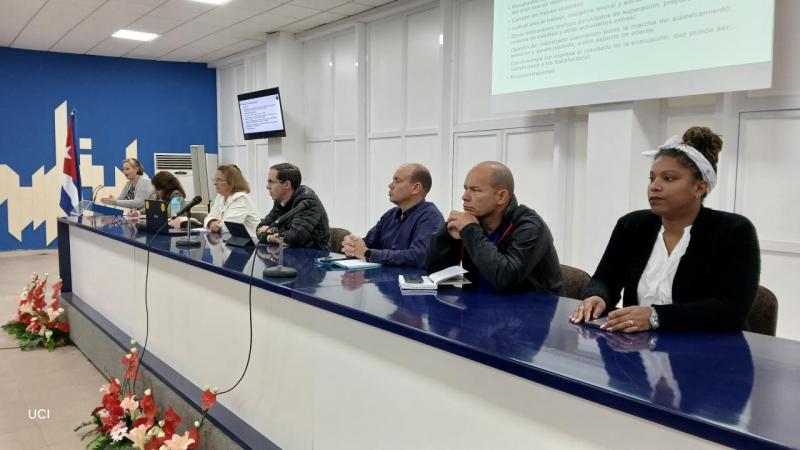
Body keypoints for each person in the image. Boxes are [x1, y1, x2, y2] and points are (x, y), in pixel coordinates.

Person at [570, 126, 760, 332]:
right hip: (635, 347)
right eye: (652, 178)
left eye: (668, 178)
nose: (655, 186)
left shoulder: (734, 231)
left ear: (700, 187)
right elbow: (605, 279)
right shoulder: (632, 225)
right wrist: (597, 295)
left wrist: (656, 316)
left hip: (707, 351)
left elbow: (731, 309)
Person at [425, 161, 563, 294]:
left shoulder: (530, 226)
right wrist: (447, 237)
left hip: (530, 311)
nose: (464, 197)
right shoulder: (472, 221)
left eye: (475, 190)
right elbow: (435, 273)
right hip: (478, 309)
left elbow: (505, 279)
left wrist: (470, 230)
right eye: (465, 188)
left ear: (501, 197)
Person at [342, 163, 444, 268]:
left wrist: (367, 253)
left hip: (408, 282)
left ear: (415, 188)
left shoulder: (431, 217)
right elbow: (368, 244)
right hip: (382, 279)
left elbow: (418, 256)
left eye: (397, 180)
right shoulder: (390, 215)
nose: (390, 185)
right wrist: (353, 246)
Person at [256, 163, 330, 249]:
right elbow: (260, 228)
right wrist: (269, 238)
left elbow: (294, 237)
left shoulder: (307, 202)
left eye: (271, 182)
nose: (267, 187)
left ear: (286, 185)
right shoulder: (279, 201)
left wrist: (272, 230)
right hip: (290, 253)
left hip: (315, 256)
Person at [204, 164, 260, 239]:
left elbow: (227, 228)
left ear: (231, 182)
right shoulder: (220, 196)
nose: (215, 183)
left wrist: (215, 223)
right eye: (215, 179)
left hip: (249, 245)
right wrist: (211, 222)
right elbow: (208, 217)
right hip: (229, 241)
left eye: (219, 180)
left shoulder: (241, 198)